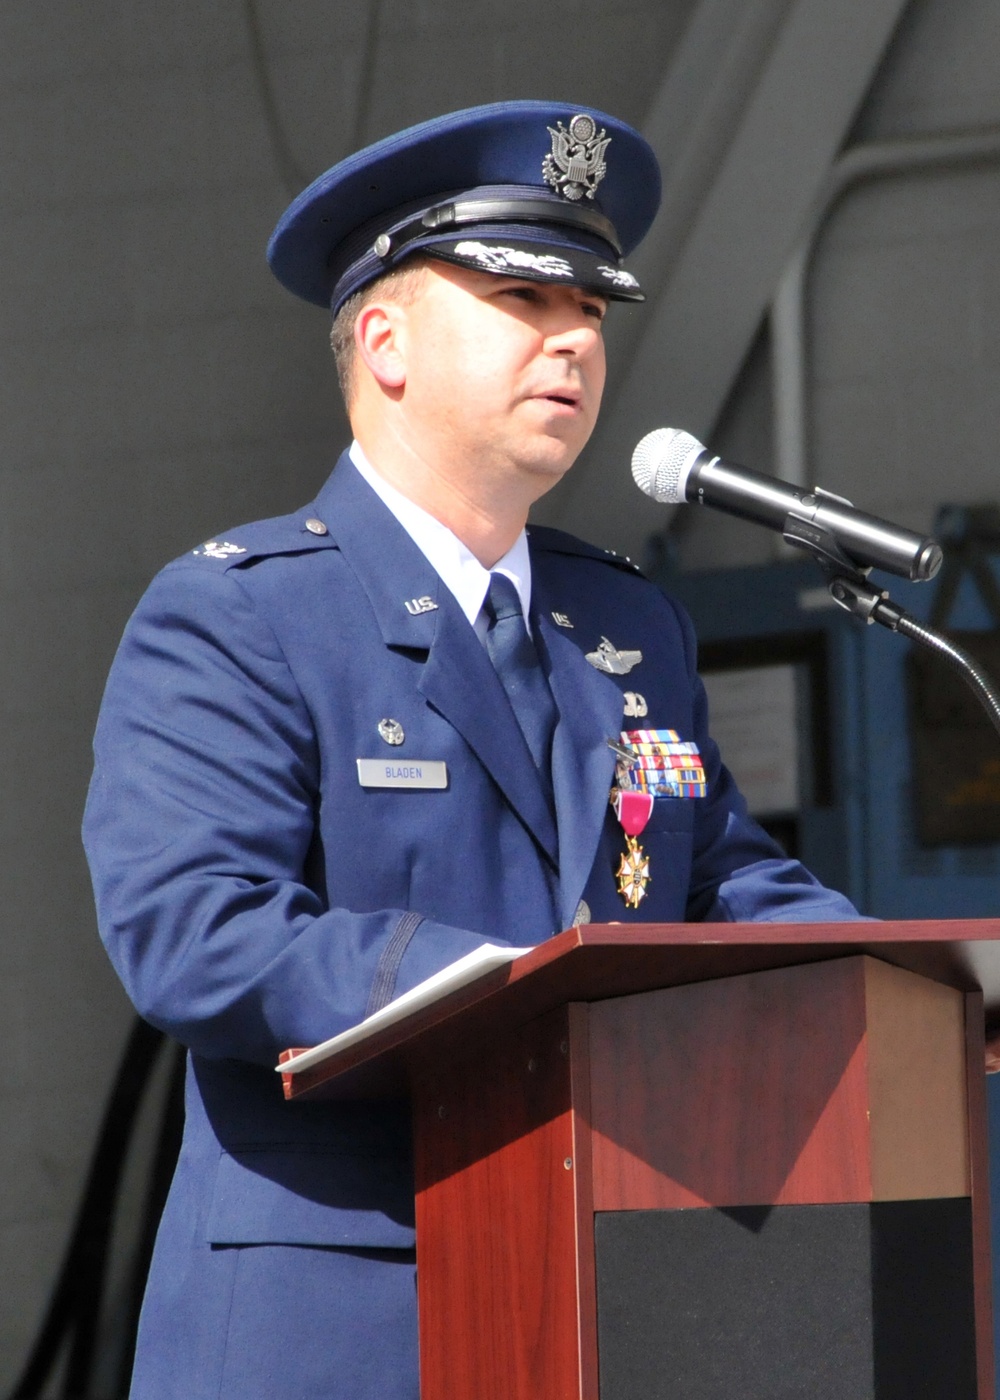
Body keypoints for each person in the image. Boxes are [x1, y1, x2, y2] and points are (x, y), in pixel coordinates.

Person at [83, 100, 862, 1399]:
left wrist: (902, 978)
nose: (572, 341)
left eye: (595, 314)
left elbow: (717, 877)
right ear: (383, 340)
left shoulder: (626, 625)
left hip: (604, 1290)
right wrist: (487, 986)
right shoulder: (241, 613)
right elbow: (192, 929)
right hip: (345, 1319)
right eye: (520, 298)